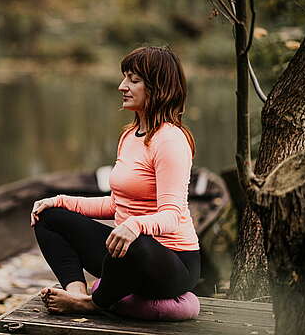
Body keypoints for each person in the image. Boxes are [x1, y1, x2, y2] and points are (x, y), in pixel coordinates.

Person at [30, 46, 200, 314]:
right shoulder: (129, 135)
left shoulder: (170, 140)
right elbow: (117, 204)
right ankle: (76, 295)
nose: (122, 86)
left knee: (135, 242)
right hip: (124, 254)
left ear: (158, 87)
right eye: (124, 78)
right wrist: (61, 201)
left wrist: (134, 225)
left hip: (170, 263)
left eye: (134, 80)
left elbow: (172, 215)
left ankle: (93, 304)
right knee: (48, 217)